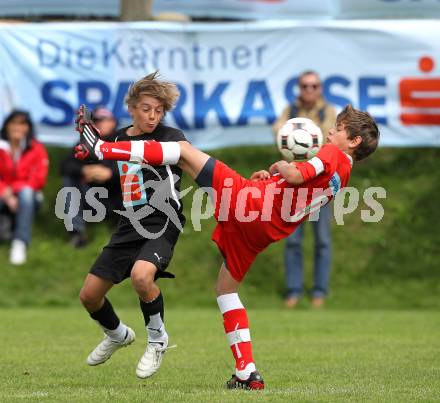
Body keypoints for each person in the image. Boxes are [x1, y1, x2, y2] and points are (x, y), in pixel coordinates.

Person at [75, 80, 380, 390]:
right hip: (263, 228)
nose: (331, 133)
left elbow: (297, 174)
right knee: (226, 290)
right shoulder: (344, 175)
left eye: (339, 129)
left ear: (353, 141)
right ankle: (247, 371)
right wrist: (271, 178)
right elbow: (300, 190)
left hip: (250, 203)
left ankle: (101, 147)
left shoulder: (333, 154)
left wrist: (280, 165)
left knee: (182, 152)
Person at [75, 72, 186, 379]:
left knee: (141, 276)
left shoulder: (171, 137)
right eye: (147, 108)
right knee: (89, 296)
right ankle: (117, 335)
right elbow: (115, 165)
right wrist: (90, 153)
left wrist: (104, 148)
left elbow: (148, 153)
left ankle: (157, 339)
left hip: (163, 219)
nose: (153, 115)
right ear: (132, 108)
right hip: (130, 223)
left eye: (159, 110)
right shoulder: (120, 138)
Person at [272, 71, 337, 308]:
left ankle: (319, 292)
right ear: (299, 88)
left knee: (322, 240)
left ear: (320, 88)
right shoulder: (289, 111)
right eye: (305, 86)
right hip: (292, 184)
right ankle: (294, 291)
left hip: (319, 184)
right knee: (292, 240)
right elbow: (279, 133)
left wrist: (298, 133)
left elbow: (327, 140)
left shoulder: (327, 111)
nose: (309, 90)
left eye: (314, 86)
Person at [60, 106, 121, 248]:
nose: (100, 123)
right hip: (92, 199)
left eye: (104, 119)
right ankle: (77, 234)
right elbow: (64, 166)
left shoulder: (123, 142)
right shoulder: (86, 144)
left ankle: (127, 228)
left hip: (118, 200)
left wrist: (110, 173)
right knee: (69, 179)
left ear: (113, 122)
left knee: (132, 179)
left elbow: (138, 168)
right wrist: (84, 169)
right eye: (96, 120)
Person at [0, 110, 49, 265]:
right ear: (6, 125)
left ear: (28, 127)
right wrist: (6, 194)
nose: (17, 127)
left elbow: (39, 179)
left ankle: (19, 243)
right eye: (14, 123)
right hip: (3, 195)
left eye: (22, 124)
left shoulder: (37, 148)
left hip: (28, 196)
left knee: (26, 193)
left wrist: (12, 190)